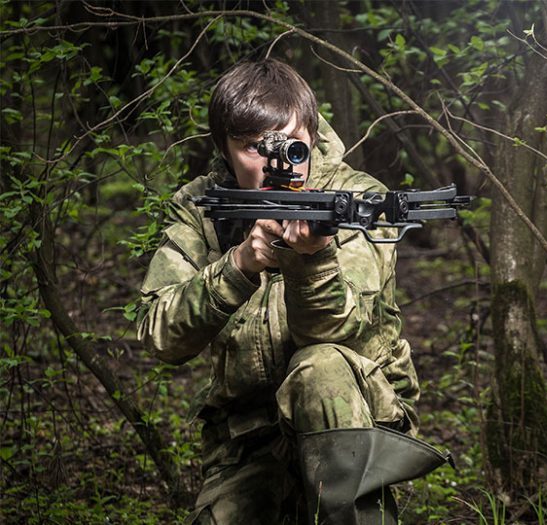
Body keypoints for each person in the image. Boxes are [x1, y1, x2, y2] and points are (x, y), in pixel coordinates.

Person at [137, 58, 448, 525]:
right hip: (250, 434)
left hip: (351, 420)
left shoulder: (353, 200)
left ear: (311, 132)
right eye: (252, 148)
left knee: (319, 367)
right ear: (223, 148)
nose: (273, 162)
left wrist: (311, 260)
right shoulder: (203, 207)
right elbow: (159, 336)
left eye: (290, 145)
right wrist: (239, 265)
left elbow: (342, 336)